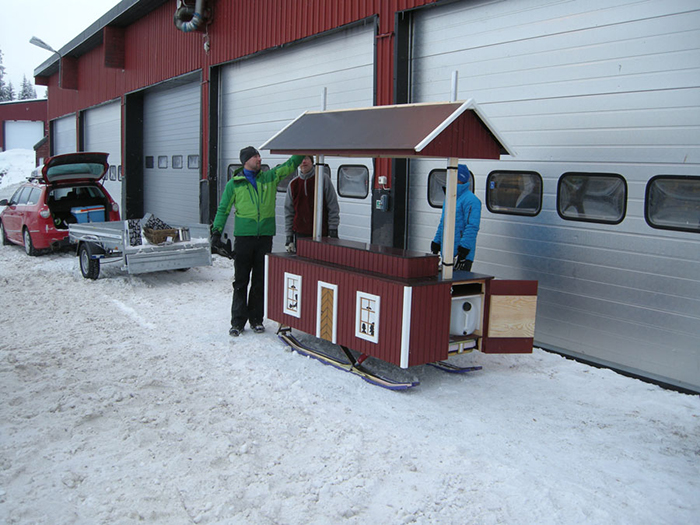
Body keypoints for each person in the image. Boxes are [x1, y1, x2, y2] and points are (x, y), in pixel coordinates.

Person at [211, 146, 304, 336]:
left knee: (260, 280)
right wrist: (216, 232)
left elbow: (290, 165)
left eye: (259, 155)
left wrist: (303, 148)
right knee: (241, 281)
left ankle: (256, 320)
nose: (259, 158)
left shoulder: (269, 177)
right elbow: (223, 209)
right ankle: (237, 322)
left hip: (264, 238)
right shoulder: (234, 184)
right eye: (255, 156)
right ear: (246, 160)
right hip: (244, 239)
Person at [284, 155, 340, 252]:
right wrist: (289, 236)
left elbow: (333, 205)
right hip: (300, 234)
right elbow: (289, 211)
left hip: (321, 233)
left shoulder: (323, 179)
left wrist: (333, 229)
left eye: (306, 159)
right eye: (301, 160)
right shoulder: (293, 184)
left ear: (312, 161)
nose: (304, 162)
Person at [431, 164, 481, 272]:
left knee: (457, 285)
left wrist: (463, 251)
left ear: (459, 179)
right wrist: (436, 242)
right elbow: (443, 223)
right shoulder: (449, 198)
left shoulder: (471, 200)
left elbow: (472, 227)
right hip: (447, 253)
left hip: (461, 255)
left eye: (452, 176)